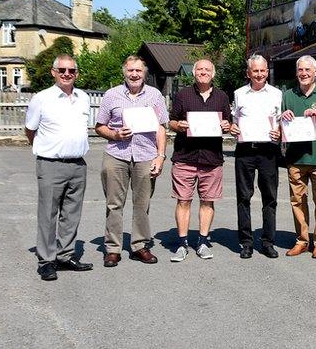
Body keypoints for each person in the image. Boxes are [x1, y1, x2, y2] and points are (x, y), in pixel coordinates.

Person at [94, 55, 168, 267]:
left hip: (146, 156)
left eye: (138, 71)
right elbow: (99, 126)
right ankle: (113, 248)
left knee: (142, 204)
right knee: (114, 203)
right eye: (130, 71)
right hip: (116, 155)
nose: (134, 74)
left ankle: (139, 246)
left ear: (144, 73)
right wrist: (116, 135)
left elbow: (161, 127)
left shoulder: (155, 96)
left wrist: (161, 156)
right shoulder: (111, 95)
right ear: (124, 72)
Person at [25, 54, 92, 280]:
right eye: (61, 70)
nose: (66, 74)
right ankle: (46, 260)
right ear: (53, 72)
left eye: (71, 70)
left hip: (78, 164)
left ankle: (65, 256)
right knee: (48, 214)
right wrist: (44, 148)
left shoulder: (83, 97)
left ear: (77, 73)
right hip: (51, 164)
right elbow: (30, 129)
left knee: (72, 214)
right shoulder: (42, 99)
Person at [167, 59, 232, 261]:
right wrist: (179, 126)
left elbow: (228, 123)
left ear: (213, 74)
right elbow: (171, 121)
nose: (203, 72)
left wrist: (226, 126)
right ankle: (182, 243)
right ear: (194, 73)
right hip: (185, 157)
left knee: (207, 201)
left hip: (211, 159)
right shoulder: (183, 95)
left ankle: (203, 241)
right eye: (200, 69)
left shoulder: (221, 96)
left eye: (207, 70)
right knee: (183, 200)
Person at [281, 55, 316, 258]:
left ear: (315, 73)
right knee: (297, 201)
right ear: (297, 73)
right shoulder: (288, 96)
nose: (304, 74)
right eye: (300, 70)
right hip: (295, 158)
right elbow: (280, 126)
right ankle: (302, 240)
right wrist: (282, 118)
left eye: (307, 70)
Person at [229, 55, 282, 259]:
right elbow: (235, 121)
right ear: (248, 73)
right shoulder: (239, 94)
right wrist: (233, 128)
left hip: (268, 151)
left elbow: (282, 122)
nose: (259, 74)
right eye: (255, 71)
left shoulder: (277, 94)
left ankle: (268, 242)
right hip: (245, 151)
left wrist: (280, 132)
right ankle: (246, 242)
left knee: (270, 198)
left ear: (267, 72)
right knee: (244, 197)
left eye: (262, 71)